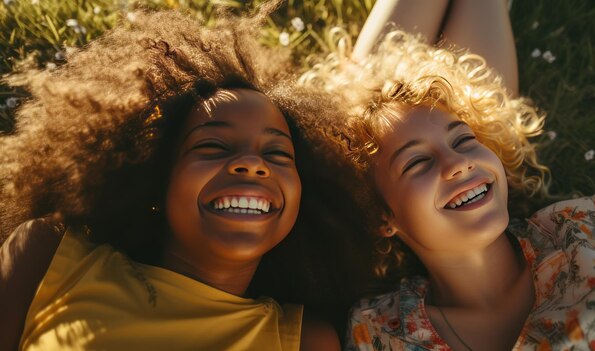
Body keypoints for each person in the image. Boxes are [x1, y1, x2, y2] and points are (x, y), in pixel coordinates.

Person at [0, 3, 347, 350]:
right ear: (156, 178)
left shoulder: (305, 340)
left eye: (276, 153)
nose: (253, 165)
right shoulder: (48, 256)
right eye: (214, 146)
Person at [298, 2, 595, 350]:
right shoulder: (378, 332)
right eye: (417, 163)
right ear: (381, 216)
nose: (459, 163)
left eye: (465, 140)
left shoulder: (582, 229)